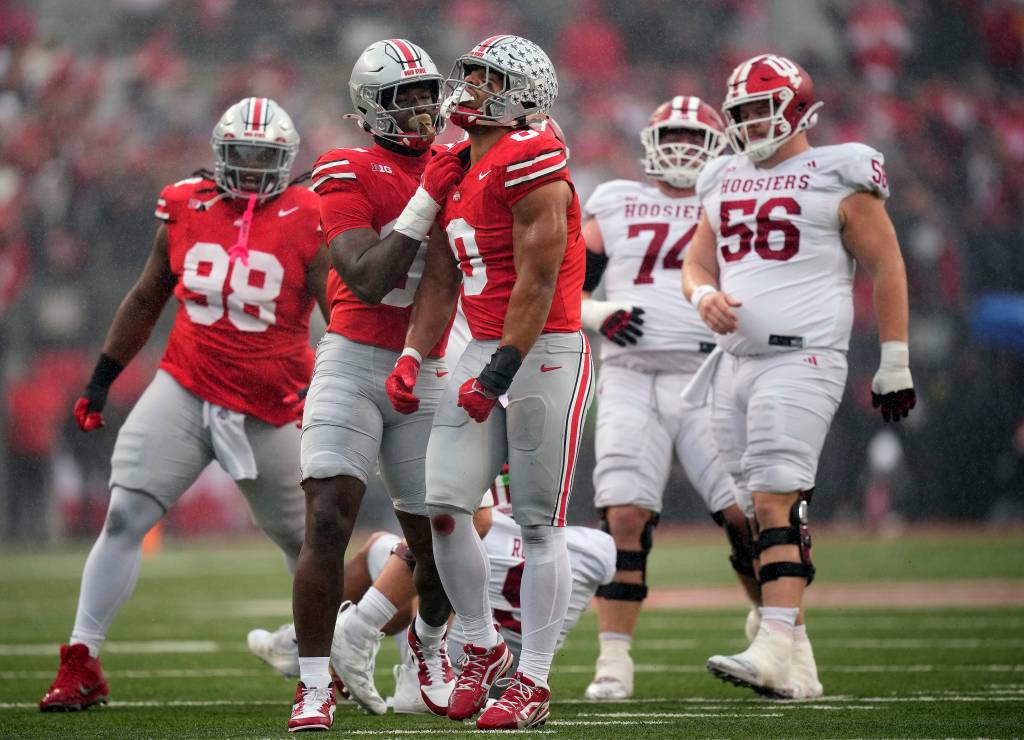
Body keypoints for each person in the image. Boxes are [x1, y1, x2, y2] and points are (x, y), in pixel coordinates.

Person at [38, 97, 328, 712]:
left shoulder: (311, 214)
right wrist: (101, 378)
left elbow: (341, 314)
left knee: (308, 544)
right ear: (219, 156)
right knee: (123, 518)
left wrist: (341, 394)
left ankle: (322, 666)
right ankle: (82, 659)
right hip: (186, 385)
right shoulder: (184, 203)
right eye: (241, 157)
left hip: (272, 403)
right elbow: (146, 298)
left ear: (287, 162)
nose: (250, 170)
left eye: (264, 159)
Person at [682, 54, 916, 699]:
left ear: (798, 107)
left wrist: (894, 361)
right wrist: (703, 297)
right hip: (734, 364)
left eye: (762, 108)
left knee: (776, 499)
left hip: (803, 357)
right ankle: (799, 661)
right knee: (746, 514)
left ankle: (774, 642)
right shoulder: (722, 175)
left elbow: (888, 266)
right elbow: (696, 264)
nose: (752, 122)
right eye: (743, 112)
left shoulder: (839, 170)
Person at [383, 34, 590, 730]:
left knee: (537, 523)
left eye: (485, 78)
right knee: (441, 502)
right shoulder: (456, 163)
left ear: (522, 93)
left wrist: (499, 368)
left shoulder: (533, 156)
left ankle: (533, 678)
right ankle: (481, 644)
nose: (466, 88)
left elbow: (537, 278)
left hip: (544, 351)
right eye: (466, 75)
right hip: (482, 350)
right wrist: (415, 353)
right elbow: (443, 276)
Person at [288, 39, 462, 732]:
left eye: (428, 94)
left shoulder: (465, 165)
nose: (422, 111)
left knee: (443, 536)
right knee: (328, 517)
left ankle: (426, 651)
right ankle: (311, 684)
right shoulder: (344, 167)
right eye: (405, 98)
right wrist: (429, 196)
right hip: (355, 358)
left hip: (432, 364)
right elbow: (365, 276)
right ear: (371, 109)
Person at [579, 96, 760, 701]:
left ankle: (776, 634)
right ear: (649, 141)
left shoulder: (733, 200)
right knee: (625, 516)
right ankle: (614, 661)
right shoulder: (613, 200)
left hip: (711, 375)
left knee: (745, 514)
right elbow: (558, 286)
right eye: (672, 135)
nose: (682, 148)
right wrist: (599, 312)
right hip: (630, 375)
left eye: (694, 136)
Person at [247, 479, 616, 716]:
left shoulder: (475, 519)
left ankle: (318, 639)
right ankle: (612, 664)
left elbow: (466, 534)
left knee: (404, 548)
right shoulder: (595, 549)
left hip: (461, 655)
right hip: (514, 673)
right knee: (437, 559)